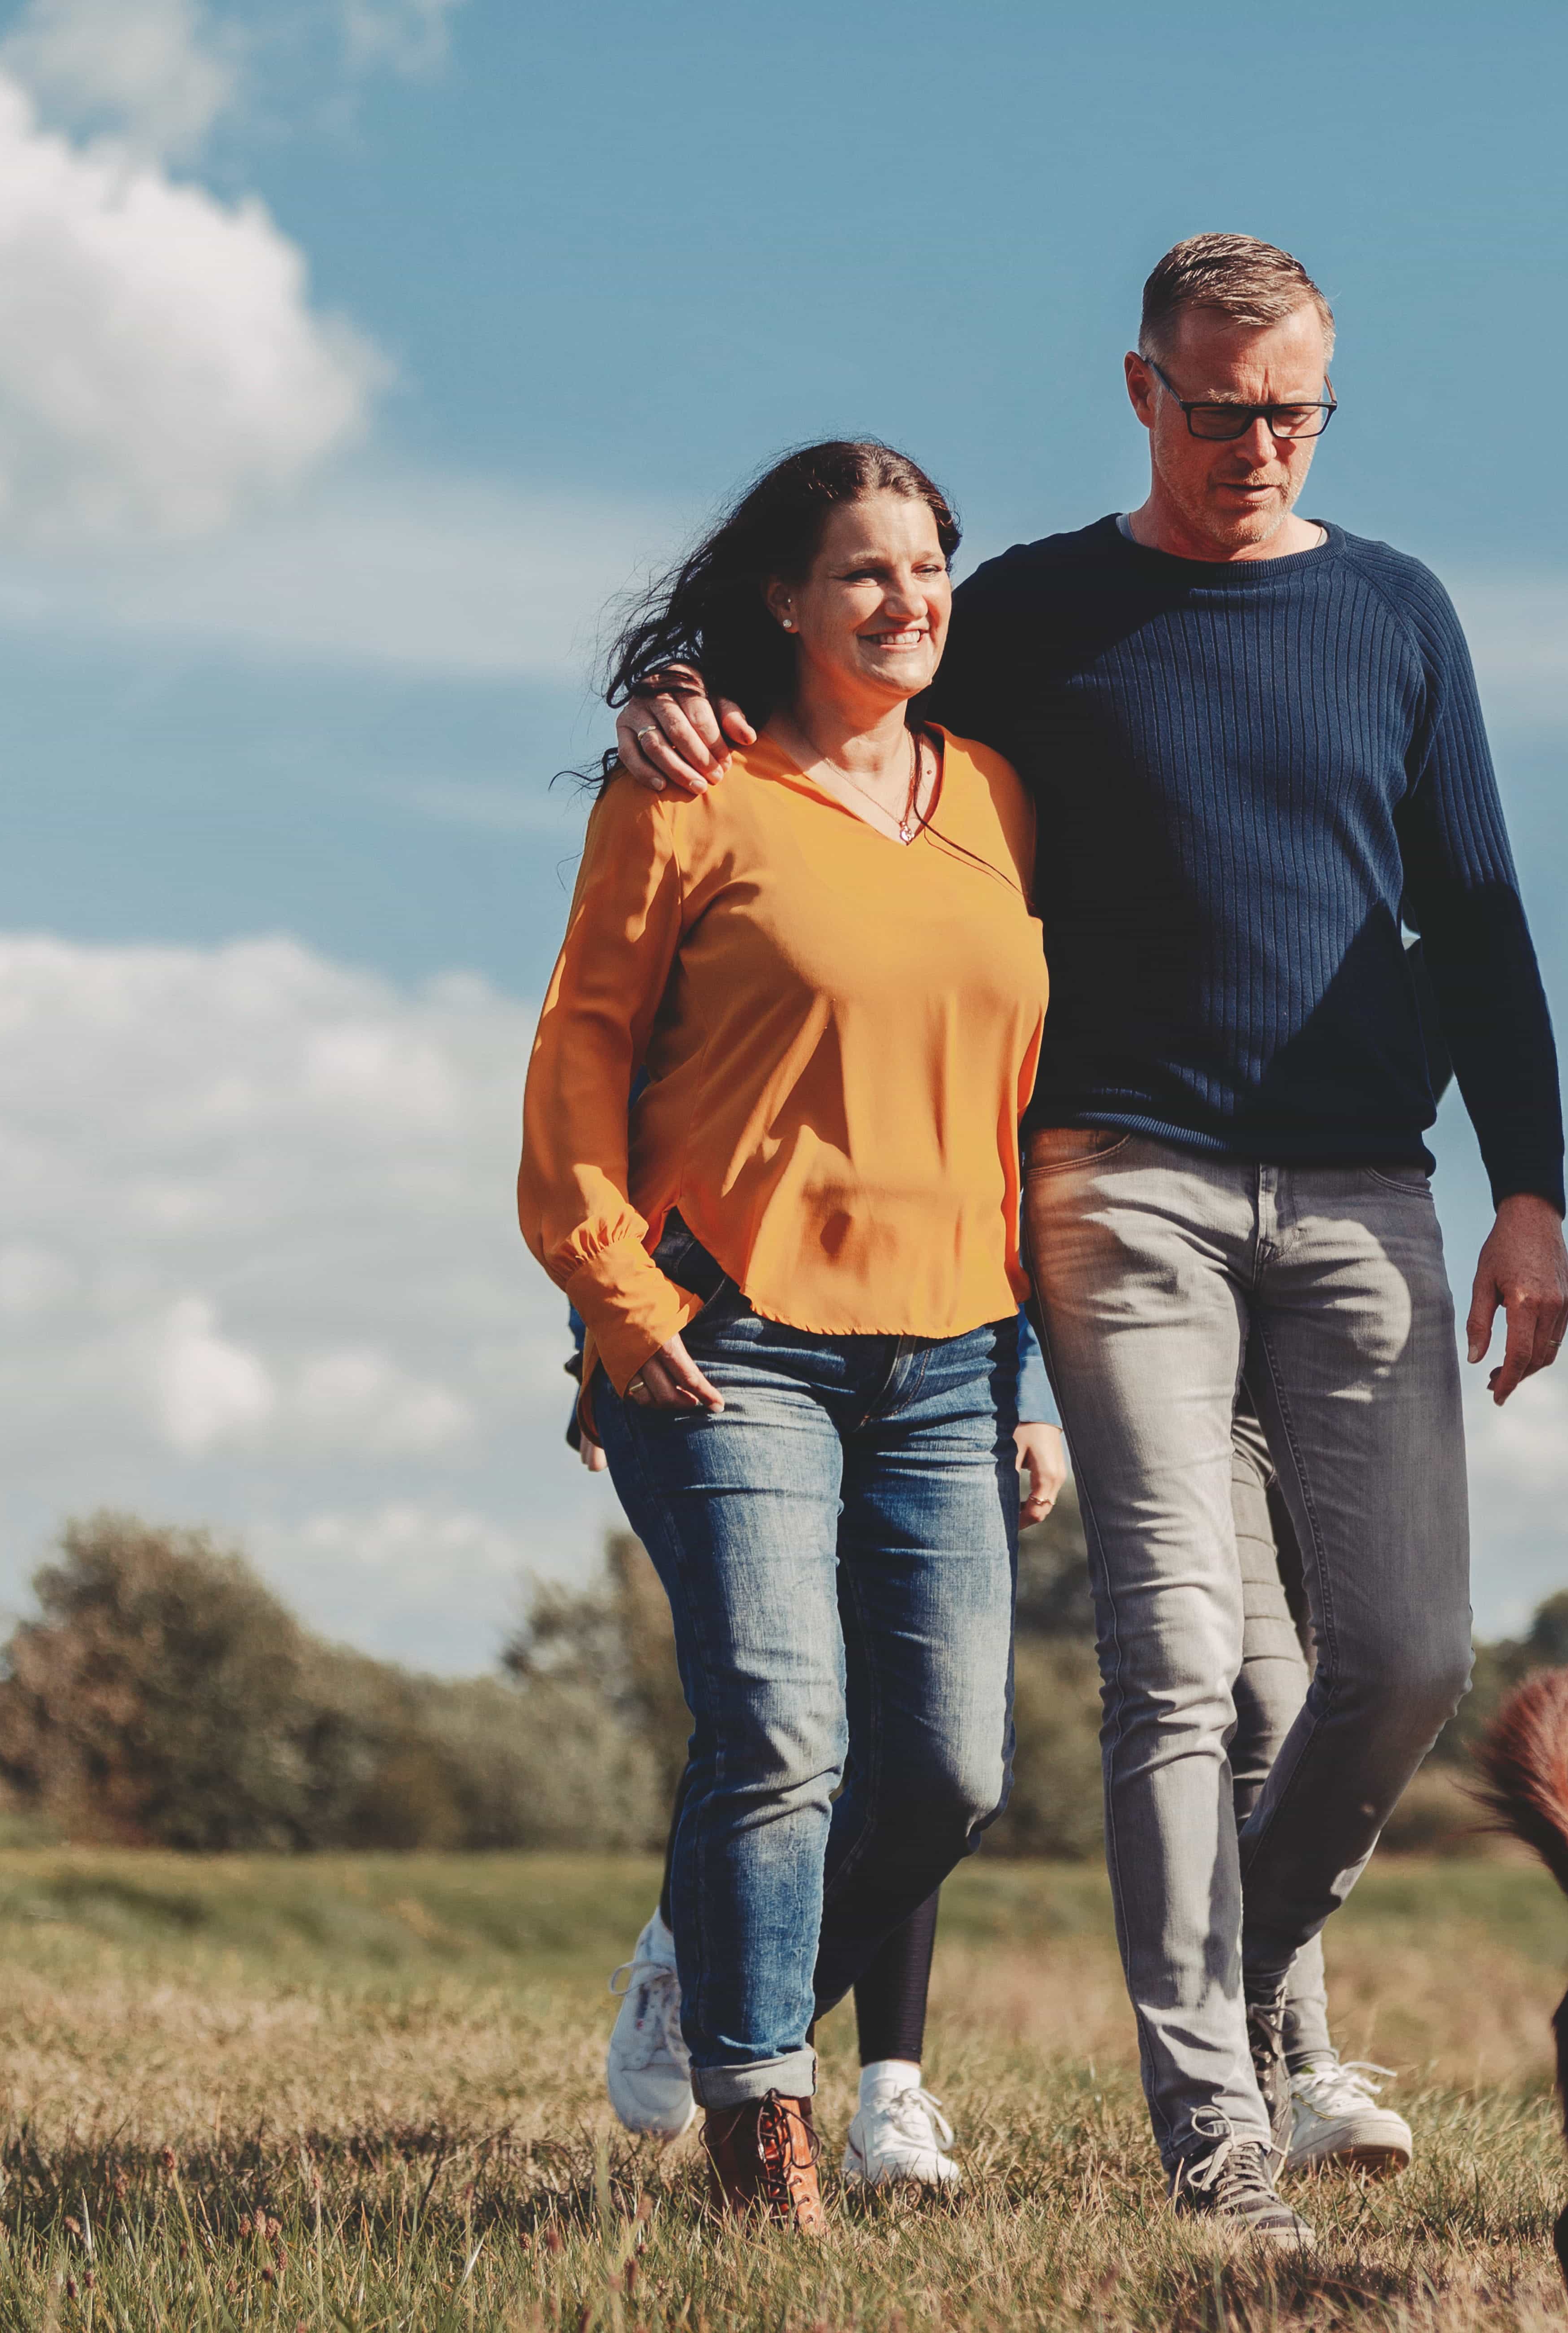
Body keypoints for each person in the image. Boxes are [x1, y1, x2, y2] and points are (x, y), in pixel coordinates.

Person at [611, 233, 1568, 2248]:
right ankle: (1219, 2135)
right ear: (1143, 389)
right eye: (1220, 409)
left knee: (1396, 1660)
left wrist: (1535, 1185)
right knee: (1179, 1658)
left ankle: (1248, 1989)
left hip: (1363, 1181)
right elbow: (838, 688)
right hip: (1116, 1183)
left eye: (1294, 411)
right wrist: (671, 694)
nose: (1257, 444)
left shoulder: (1397, 612)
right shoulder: (1037, 610)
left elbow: (1474, 912)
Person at [521, 438, 1060, 2234]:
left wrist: (1038, 1378)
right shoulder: (692, 788)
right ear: (783, 598)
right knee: (779, 1728)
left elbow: (1022, 1109)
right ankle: (765, 2127)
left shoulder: (995, 795)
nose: (908, 600)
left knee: (956, 1767)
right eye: (863, 572)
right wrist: (615, 1290)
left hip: (958, 1349)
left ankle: (704, 1963)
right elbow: (581, 1053)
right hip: (726, 1332)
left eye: (929, 568)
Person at [600, 1402, 1418, 2184]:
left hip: (949, 1353)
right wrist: (598, 1336)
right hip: (743, 1355)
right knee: (782, 1714)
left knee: (934, 1759)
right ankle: (715, 1980)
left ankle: (873, 2083)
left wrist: (1025, 1391)